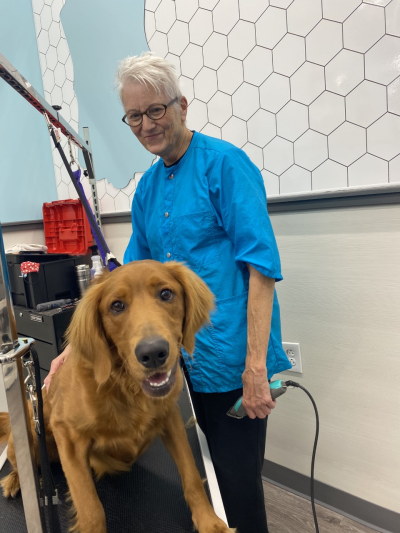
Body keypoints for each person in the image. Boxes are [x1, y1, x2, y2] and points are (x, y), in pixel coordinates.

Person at [45, 52, 291, 533]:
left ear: (181, 105)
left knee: (238, 483)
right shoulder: (148, 188)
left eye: (155, 109)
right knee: (203, 469)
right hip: (175, 359)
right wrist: (73, 348)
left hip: (232, 358)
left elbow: (262, 268)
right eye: (134, 115)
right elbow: (127, 276)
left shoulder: (225, 164)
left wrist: (256, 367)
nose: (147, 124)